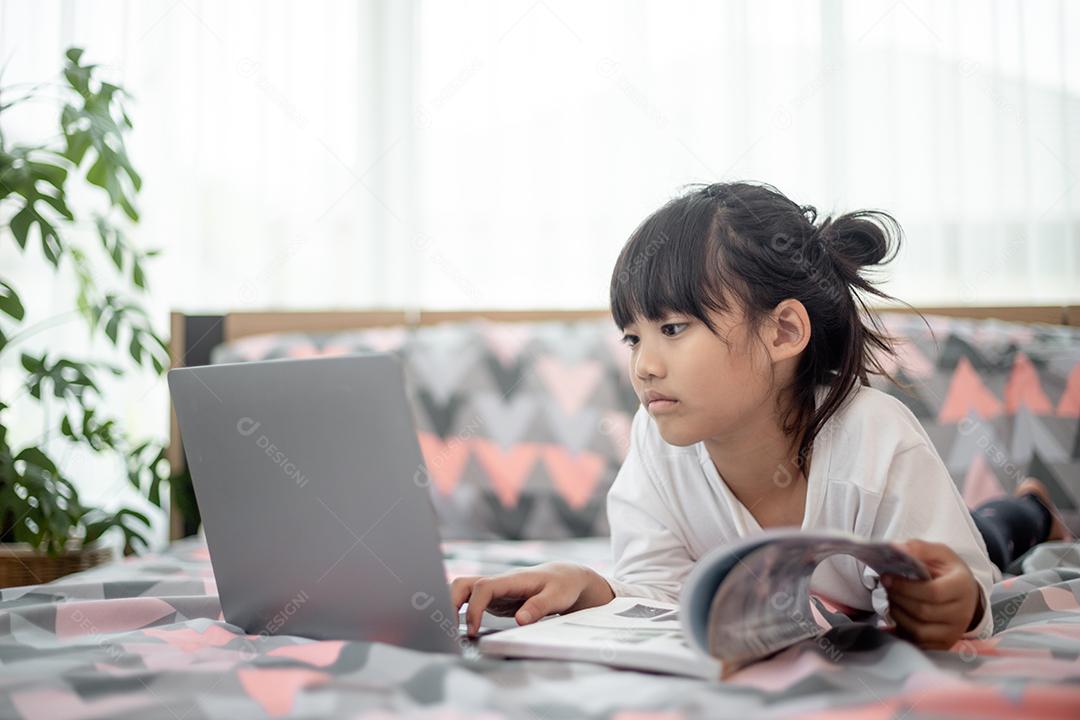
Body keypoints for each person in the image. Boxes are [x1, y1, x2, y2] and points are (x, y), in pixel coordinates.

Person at [451, 182, 1071, 651]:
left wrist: (953, 602)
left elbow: (959, 586)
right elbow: (656, 590)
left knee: (992, 534)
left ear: (782, 331)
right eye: (633, 339)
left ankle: (1034, 511)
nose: (644, 365)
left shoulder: (877, 438)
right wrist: (585, 584)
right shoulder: (658, 439)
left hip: (942, 546)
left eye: (672, 328)